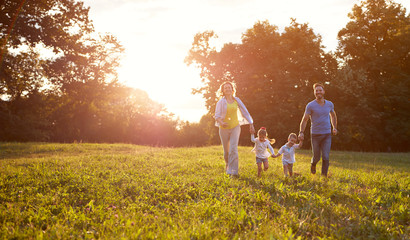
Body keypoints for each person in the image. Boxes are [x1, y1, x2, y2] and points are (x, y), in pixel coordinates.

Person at [214, 81, 255, 176]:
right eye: (225, 88)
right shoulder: (221, 102)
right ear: (223, 91)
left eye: (229, 87)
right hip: (223, 128)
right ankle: (228, 164)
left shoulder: (237, 100)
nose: (228, 89)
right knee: (226, 151)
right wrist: (221, 122)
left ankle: (233, 172)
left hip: (235, 127)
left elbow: (245, 112)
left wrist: (251, 124)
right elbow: (216, 115)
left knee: (233, 149)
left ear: (232, 90)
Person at [298, 83, 338, 177]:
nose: (318, 92)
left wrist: (334, 127)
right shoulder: (310, 105)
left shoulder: (329, 104)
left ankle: (324, 176)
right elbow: (305, 119)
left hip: (327, 134)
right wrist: (301, 132)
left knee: (325, 156)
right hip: (315, 135)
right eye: (316, 90)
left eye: (320, 90)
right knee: (316, 157)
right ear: (314, 93)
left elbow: (333, 116)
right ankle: (313, 164)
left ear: (324, 92)